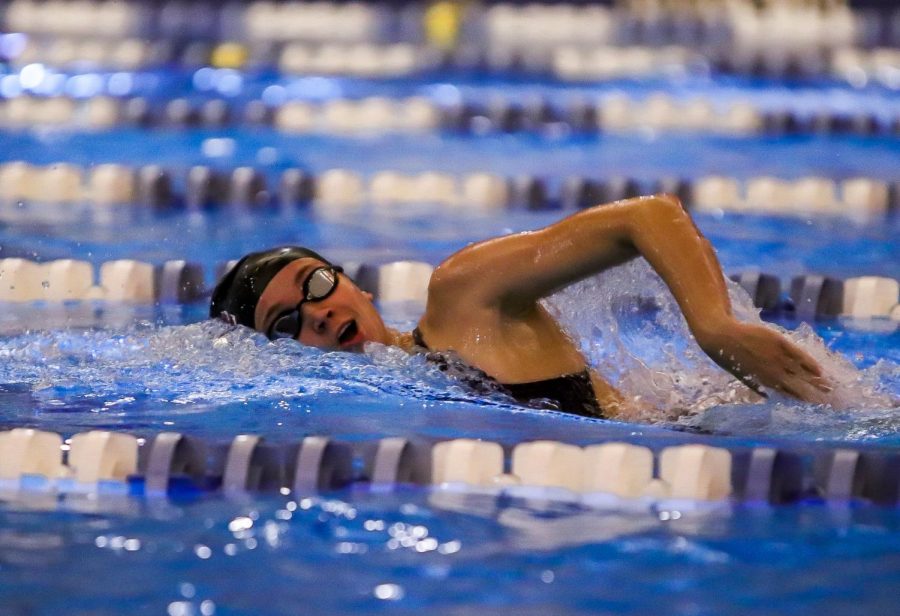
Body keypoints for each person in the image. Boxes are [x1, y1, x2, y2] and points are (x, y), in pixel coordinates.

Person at [210, 194, 833, 418]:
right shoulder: (370, 407)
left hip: (752, 419)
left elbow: (648, 216)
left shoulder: (462, 297)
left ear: (356, 286)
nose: (316, 313)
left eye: (315, 285)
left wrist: (715, 326)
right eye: (286, 323)